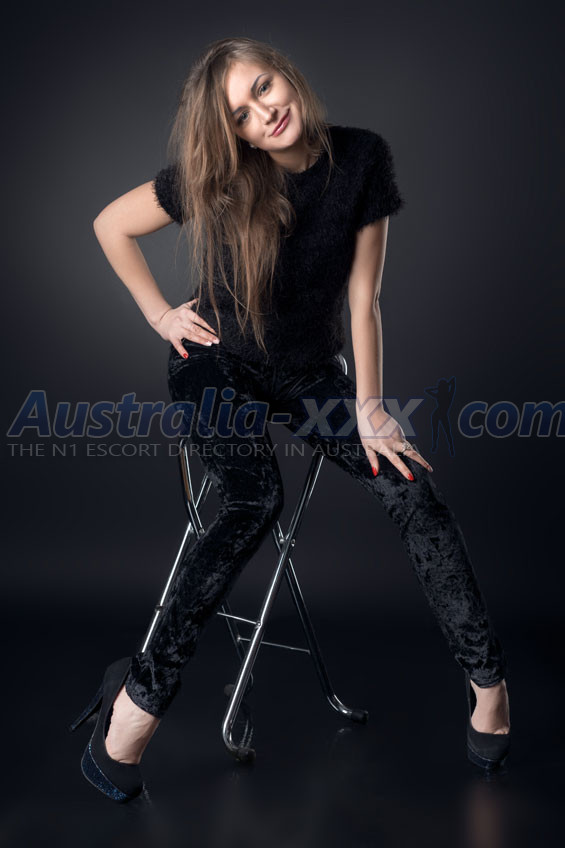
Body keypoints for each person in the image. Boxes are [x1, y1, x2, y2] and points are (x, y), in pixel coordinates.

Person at [70, 36, 511, 801]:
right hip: (217, 362)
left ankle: (488, 686)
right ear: (232, 132)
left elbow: (363, 299)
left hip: (311, 377)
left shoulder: (361, 159)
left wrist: (368, 408)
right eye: (240, 114)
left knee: (410, 489)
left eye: (263, 88)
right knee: (252, 497)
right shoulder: (221, 173)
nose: (262, 113)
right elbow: (112, 223)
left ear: (286, 74)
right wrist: (159, 315)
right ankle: (139, 701)